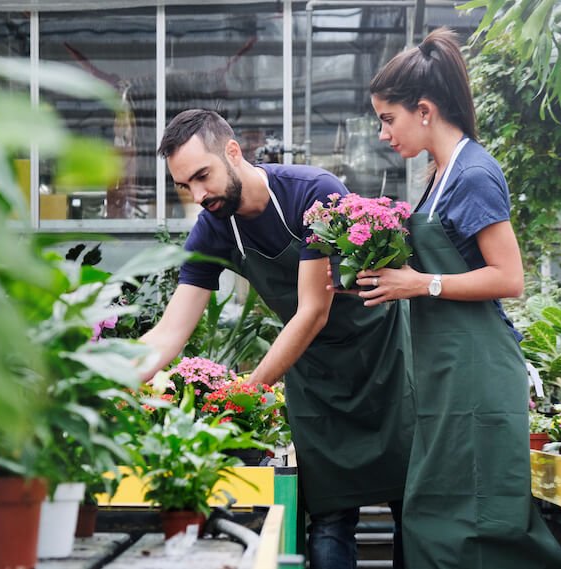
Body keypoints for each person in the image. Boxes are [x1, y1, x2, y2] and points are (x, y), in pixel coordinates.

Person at [141, 109, 414, 569]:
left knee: (410, 507)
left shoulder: (312, 192)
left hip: (381, 359)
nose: (199, 195)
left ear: (232, 151)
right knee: (330, 515)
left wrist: (247, 391)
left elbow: (313, 310)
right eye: (186, 186)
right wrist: (106, 376)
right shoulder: (213, 227)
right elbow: (170, 330)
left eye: (203, 176)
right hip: (313, 373)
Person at [357, 28, 561, 569]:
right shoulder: (438, 175)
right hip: (444, 372)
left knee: (475, 522)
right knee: (434, 513)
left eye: (388, 118)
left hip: (475, 371)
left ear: (423, 110)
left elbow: (510, 276)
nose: (383, 134)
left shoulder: (473, 173)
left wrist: (419, 283)